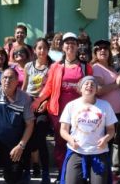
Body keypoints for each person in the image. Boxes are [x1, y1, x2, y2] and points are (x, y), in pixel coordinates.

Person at [32, 32, 94, 169]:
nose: (70, 45)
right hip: (58, 112)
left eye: (73, 42)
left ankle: (79, 172)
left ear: (78, 46)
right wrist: (38, 100)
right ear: (62, 47)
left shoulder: (85, 67)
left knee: (80, 141)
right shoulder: (55, 67)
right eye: (67, 43)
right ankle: (62, 172)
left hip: (80, 112)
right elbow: (48, 87)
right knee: (60, 142)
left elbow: (91, 87)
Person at [59, 76, 117, 184]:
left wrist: (105, 139)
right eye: (86, 84)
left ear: (96, 89)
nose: (89, 86)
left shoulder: (105, 106)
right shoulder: (71, 105)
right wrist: (70, 140)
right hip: (77, 151)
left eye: (92, 84)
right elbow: (63, 130)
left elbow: (111, 130)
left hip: (98, 152)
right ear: (80, 88)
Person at [91, 39, 120, 178]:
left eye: (106, 48)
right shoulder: (96, 68)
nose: (103, 50)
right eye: (99, 48)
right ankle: (103, 173)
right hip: (105, 114)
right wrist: (116, 85)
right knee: (106, 143)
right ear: (95, 52)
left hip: (118, 112)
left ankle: (113, 173)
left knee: (116, 143)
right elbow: (98, 90)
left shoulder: (112, 68)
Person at [22, 38, 53, 183]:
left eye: (44, 48)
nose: (42, 50)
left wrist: (46, 102)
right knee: (28, 140)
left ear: (48, 50)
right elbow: (24, 86)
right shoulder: (28, 66)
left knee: (40, 138)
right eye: (39, 48)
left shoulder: (52, 67)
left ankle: (45, 173)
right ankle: (27, 172)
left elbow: (53, 89)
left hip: (43, 106)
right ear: (34, 50)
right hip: (28, 104)